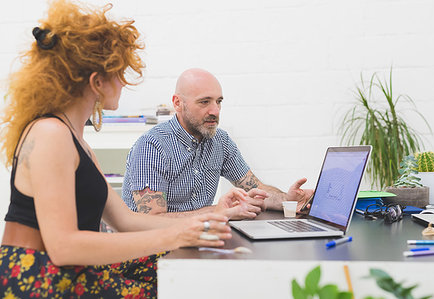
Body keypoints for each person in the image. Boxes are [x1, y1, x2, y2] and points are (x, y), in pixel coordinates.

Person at [0, 1, 252, 298]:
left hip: (67, 271)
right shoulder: (50, 133)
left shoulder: (75, 140)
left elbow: (125, 220)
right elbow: (64, 246)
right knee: (180, 284)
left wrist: (205, 218)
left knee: (187, 273)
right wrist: (175, 235)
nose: (123, 83)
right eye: (119, 74)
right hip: (38, 277)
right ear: (97, 82)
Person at [122, 68, 314, 218]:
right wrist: (219, 211)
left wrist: (286, 200)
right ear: (178, 103)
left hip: (195, 239)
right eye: (204, 102)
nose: (215, 110)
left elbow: (256, 188)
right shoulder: (152, 146)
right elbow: (153, 220)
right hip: (150, 252)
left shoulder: (220, 141)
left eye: (218, 101)